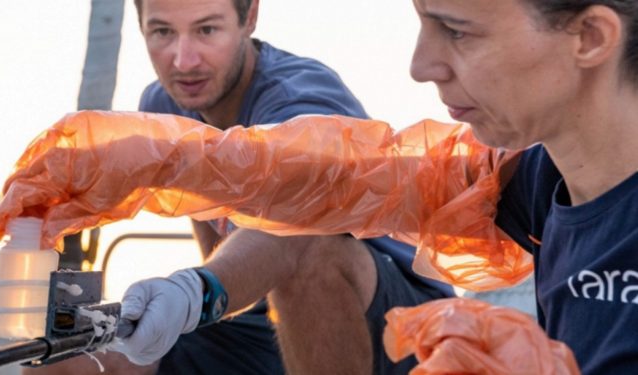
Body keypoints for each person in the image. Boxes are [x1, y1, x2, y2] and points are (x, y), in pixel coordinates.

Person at [24, 0, 452, 374]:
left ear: (249, 17)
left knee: (307, 246)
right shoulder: (165, 106)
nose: (183, 60)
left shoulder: (300, 100)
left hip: (398, 316)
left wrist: (191, 293)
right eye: (162, 32)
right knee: (68, 361)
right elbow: (215, 246)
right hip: (267, 321)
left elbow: (292, 229)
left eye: (207, 29)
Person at [409, 0, 638, 373]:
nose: (420, 67)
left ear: (590, 37)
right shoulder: (548, 178)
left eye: (456, 32)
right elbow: (354, 180)